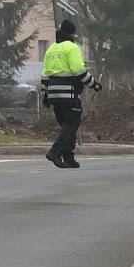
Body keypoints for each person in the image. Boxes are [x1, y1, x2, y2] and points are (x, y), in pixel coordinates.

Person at [40, 20, 102, 168]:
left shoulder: (51, 49)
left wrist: (45, 95)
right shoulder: (72, 48)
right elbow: (79, 72)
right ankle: (54, 152)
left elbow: (45, 75)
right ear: (72, 33)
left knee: (67, 125)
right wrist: (94, 84)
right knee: (72, 123)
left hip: (54, 94)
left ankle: (68, 157)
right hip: (68, 93)